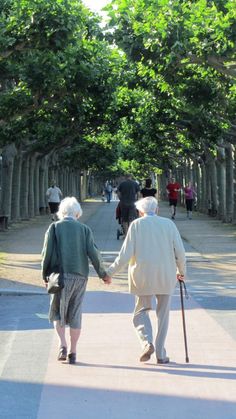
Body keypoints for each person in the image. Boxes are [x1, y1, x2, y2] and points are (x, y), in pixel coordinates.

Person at [106, 197, 186, 364]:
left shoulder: (136, 225)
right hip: (166, 275)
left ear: (140, 211)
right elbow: (180, 252)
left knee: (141, 312)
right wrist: (181, 271)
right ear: (156, 209)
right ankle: (161, 353)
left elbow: (125, 255)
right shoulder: (169, 225)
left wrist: (109, 272)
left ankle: (146, 342)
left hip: (142, 276)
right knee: (163, 316)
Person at [41, 197, 111, 365]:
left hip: (59, 276)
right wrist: (103, 274)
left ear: (61, 212)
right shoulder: (84, 230)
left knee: (57, 311)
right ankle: (73, 351)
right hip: (80, 276)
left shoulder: (54, 228)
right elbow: (93, 253)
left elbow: (46, 253)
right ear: (78, 213)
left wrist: (44, 275)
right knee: (75, 313)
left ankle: (62, 344)